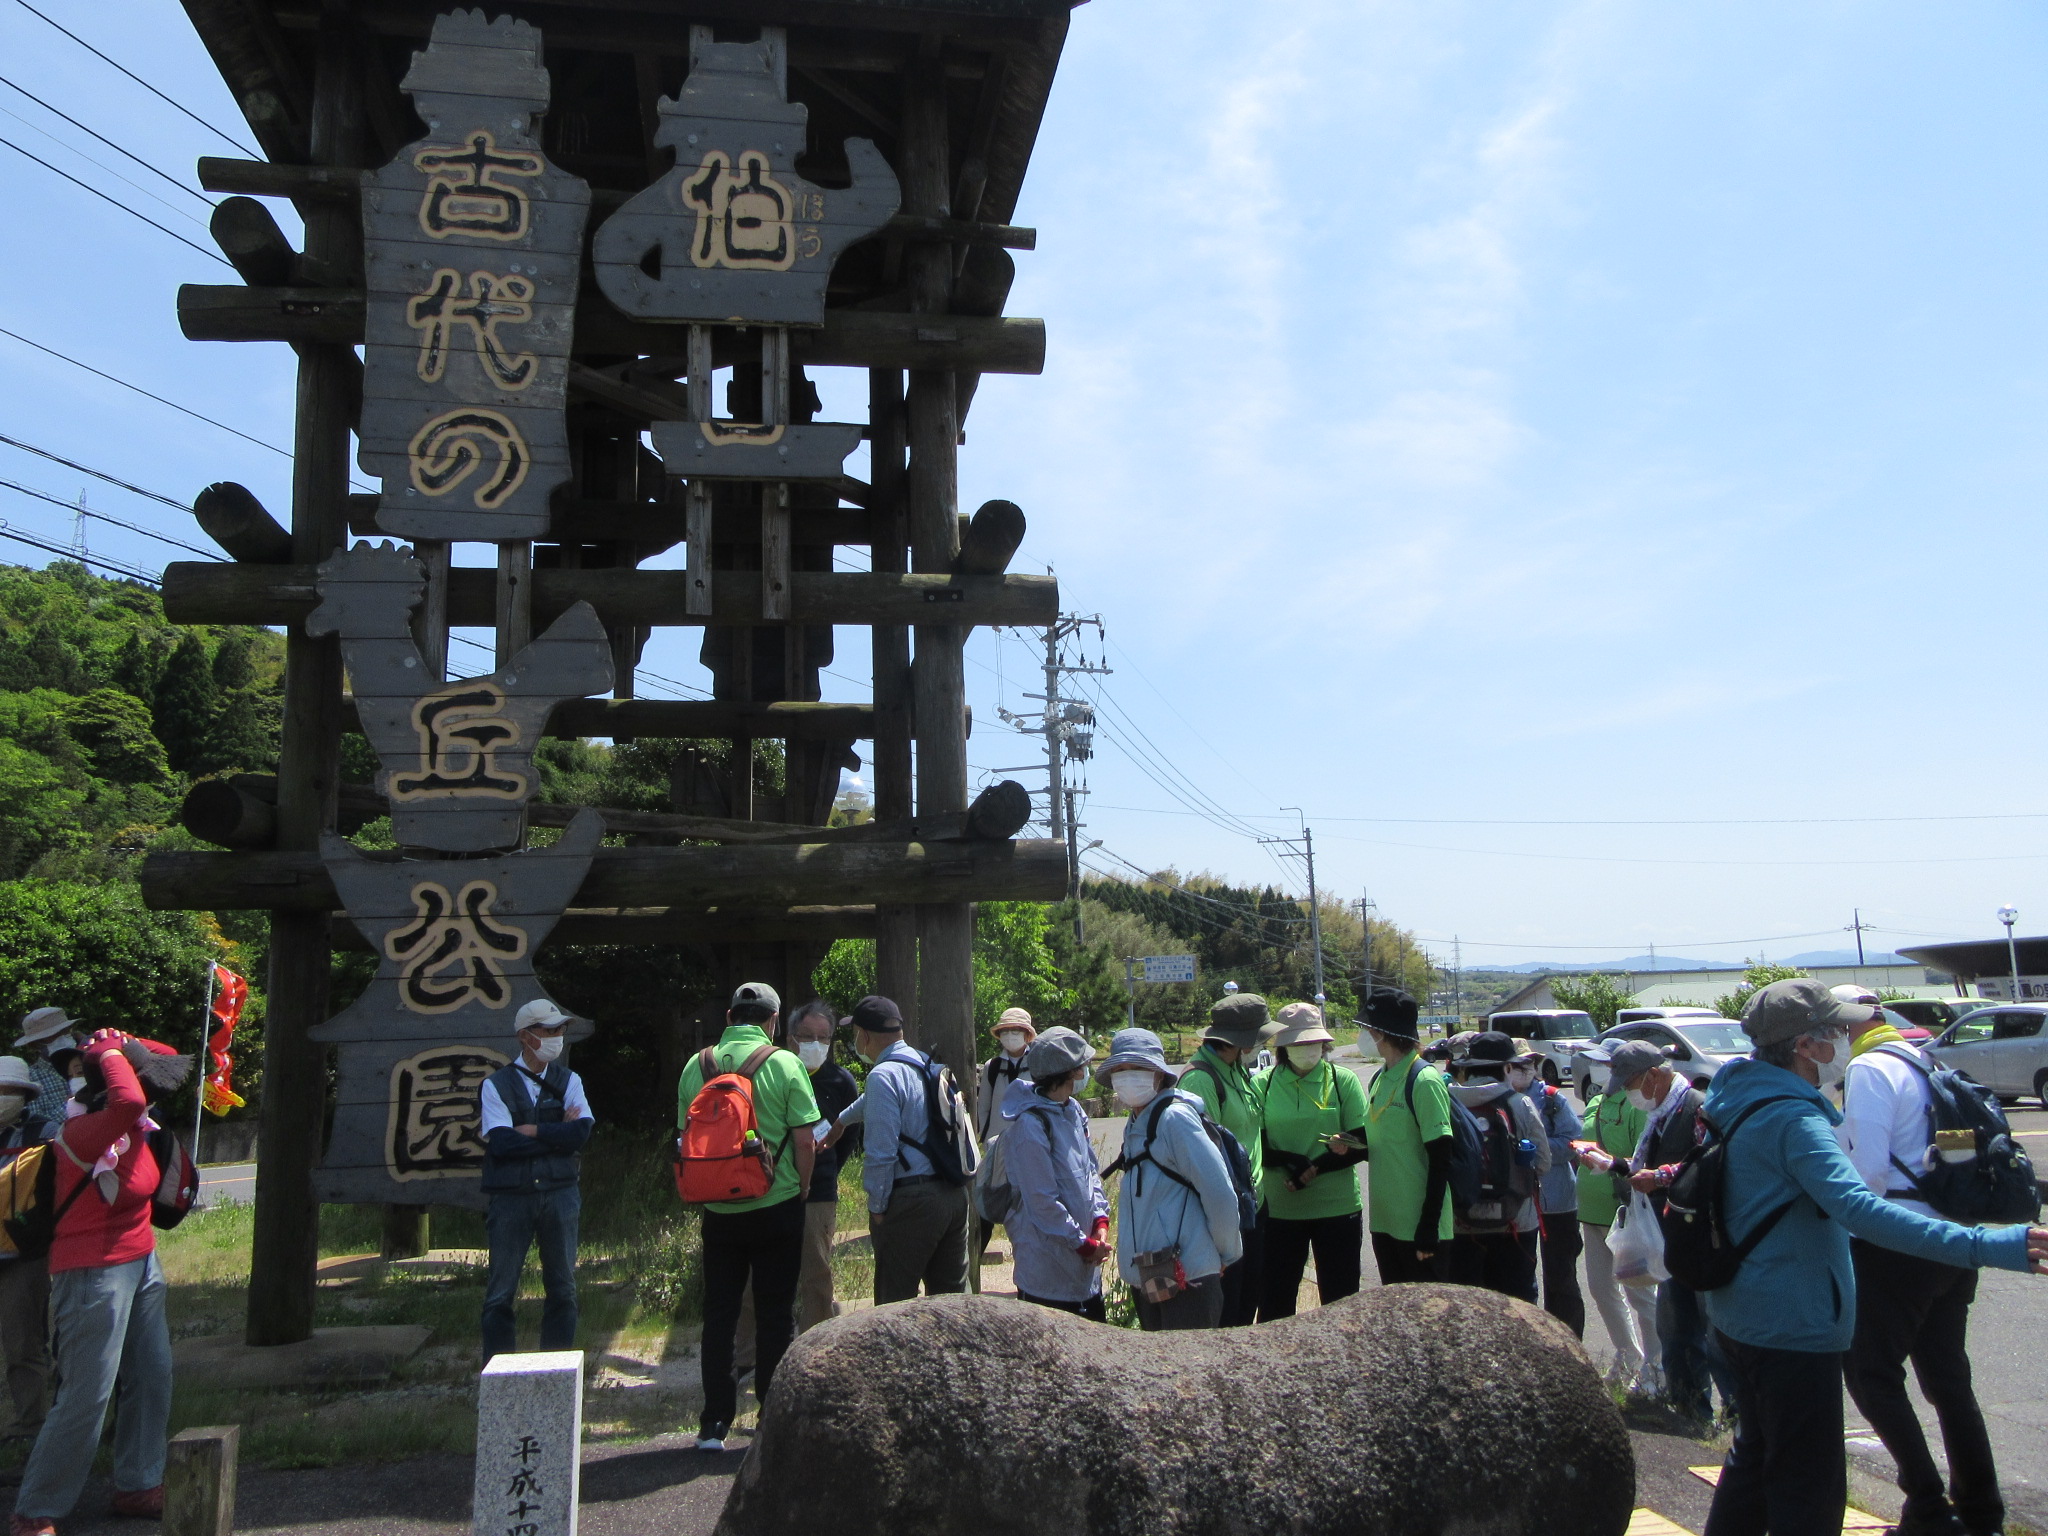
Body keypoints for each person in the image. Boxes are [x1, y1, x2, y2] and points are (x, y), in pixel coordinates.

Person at [1700, 979, 2048, 1536]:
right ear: (1804, 1046)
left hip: (1741, 1308)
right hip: (1794, 1321)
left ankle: (1941, 1505)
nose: (1844, 1037)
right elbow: (1861, 1207)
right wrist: (1989, 1244)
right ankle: (1958, 1508)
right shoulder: (1795, 1120)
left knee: (1754, 1461)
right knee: (1808, 1489)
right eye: (1834, 1030)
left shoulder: (1735, 1095)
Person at [1837, 987, 2009, 1535]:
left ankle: (1928, 1506)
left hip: (1900, 1241)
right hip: (1953, 1235)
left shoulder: (1868, 1070)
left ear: (1846, 1030)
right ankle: (1982, 1513)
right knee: (1948, 1378)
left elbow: (1869, 1176)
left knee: (1870, 1372)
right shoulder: (1922, 1056)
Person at [11, 1030, 191, 1535]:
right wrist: (106, 1052)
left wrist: (124, 1040)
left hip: (141, 1262)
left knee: (152, 1376)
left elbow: (172, 1060)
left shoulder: (135, 1126)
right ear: (113, 1084)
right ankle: (34, 1510)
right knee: (88, 1395)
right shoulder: (88, 1132)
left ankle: (137, 1484)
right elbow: (131, 1094)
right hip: (91, 1270)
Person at [676, 983, 821, 1453]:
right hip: (775, 1205)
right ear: (774, 1020)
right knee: (775, 1313)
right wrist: (801, 1189)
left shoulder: (697, 1067)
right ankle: (770, 1417)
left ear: (730, 1015)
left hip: (718, 1210)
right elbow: (804, 1141)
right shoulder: (783, 1064)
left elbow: (685, 1141)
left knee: (718, 1313)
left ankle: (713, 1422)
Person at [732, 999, 860, 1384]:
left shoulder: (841, 1081)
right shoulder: (770, 1072)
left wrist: (823, 1172)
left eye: (824, 1037)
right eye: (807, 1037)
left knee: (816, 1273)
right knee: (755, 1276)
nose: (816, 1044)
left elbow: (848, 1135)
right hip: (766, 1188)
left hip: (817, 1191)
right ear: (790, 1037)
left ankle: (817, 1354)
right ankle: (747, 1357)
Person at [1604, 1038, 1716, 1426]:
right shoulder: (1660, 1114)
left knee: (1701, 1333)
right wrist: (1617, 1166)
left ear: (1654, 1075)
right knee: (1675, 1330)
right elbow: (1645, 1168)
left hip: (1696, 1239)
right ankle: (1683, 1407)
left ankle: (1704, 1415)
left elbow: (1707, 1166)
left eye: (1632, 1084)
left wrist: (1662, 1176)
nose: (1631, 1094)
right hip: (1670, 1241)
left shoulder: (1696, 1107)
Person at [1099, 1029, 1242, 1330]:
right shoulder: (1139, 1120)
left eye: (1136, 1069)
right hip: (1152, 1275)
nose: (1127, 1077)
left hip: (1189, 1279)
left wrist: (1226, 1253)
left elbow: (1220, 1193)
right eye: (1120, 1070)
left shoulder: (1174, 1118)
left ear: (1157, 1074)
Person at [478, 999, 593, 1362]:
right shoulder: (495, 1085)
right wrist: (556, 1132)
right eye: (549, 1031)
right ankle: (498, 1372)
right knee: (500, 1291)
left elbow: (581, 1133)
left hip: (560, 1193)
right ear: (526, 1037)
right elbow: (501, 1142)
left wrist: (531, 1130)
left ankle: (556, 1369)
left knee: (563, 1288)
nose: (557, 1037)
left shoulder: (570, 1079)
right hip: (512, 1196)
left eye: (560, 1030)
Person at [853, 994, 970, 1304]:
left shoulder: (881, 1075)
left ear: (864, 1035)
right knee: (952, 1305)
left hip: (911, 1200)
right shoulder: (926, 1064)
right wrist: (840, 1121)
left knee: (895, 1305)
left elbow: (881, 1153)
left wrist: (877, 1208)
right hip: (953, 1194)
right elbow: (871, 1102)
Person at [1256, 1003, 1368, 1320]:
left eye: (1313, 1042)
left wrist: (1313, 1169)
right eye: (1298, 1043)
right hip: (1280, 1210)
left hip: (1338, 1208)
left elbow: (1363, 1143)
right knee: (1275, 1303)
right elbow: (1255, 1144)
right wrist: (1290, 1162)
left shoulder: (1342, 1081)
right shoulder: (1262, 1085)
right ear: (1283, 1046)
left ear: (1324, 1043)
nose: (1307, 1049)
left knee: (1341, 1303)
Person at [997, 1028, 1109, 1319]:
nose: (1085, 1072)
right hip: (1045, 1275)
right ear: (1070, 1072)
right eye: (1082, 1066)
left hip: (1085, 1275)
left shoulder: (1072, 1110)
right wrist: (1083, 1245)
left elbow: (1090, 1173)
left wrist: (1100, 1221)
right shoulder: (1029, 1125)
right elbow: (1042, 1202)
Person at [1572, 1043, 1661, 1395]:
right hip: (1592, 1212)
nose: (1602, 1071)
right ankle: (1627, 1356)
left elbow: (1642, 1154)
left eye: (1607, 1065)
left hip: (1624, 1213)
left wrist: (1607, 1159)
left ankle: (1655, 1368)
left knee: (1640, 1291)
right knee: (1600, 1288)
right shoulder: (1596, 1102)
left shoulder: (1636, 1103)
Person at [1176, 992, 1268, 1324]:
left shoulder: (1236, 1069)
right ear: (1242, 1041)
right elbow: (1207, 1161)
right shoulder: (1201, 1079)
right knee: (1229, 1311)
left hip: (1254, 1205)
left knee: (1250, 1299)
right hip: (1230, 1213)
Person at [1358, 989, 1454, 1284]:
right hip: (1386, 1223)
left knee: (1428, 1325)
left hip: (1419, 1229)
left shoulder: (1423, 1080)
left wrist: (1428, 1227)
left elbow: (1441, 1158)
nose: (1363, 1034)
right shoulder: (1380, 1076)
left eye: (1367, 1028)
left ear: (1381, 1032)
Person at [1446, 1031, 1550, 1302]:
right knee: (1518, 1307)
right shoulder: (1520, 1104)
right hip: (1516, 1222)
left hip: (1461, 1222)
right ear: (1506, 1067)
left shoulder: (1449, 1103)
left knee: (1468, 1308)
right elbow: (1543, 1163)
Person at [1514, 1040, 1586, 1335]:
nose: (1525, 1070)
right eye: (1518, 1064)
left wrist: (1534, 1152)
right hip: (1519, 1205)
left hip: (1558, 1201)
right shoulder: (1501, 1099)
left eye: (1529, 1063)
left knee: (1562, 1279)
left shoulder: (1553, 1099)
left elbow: (1573, 1143)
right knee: (1521, 1278)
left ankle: (1569, 1344)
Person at [0, 1058, 51, 1439]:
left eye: (10, 1091)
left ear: (24, 1095)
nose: (4, 1098)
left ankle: (31, 1422)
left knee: (23, 1342)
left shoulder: (44, 1132)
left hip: (24, 1255)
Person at [973, 1008, 1035, 1266]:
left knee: (1027, 1211)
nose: (1011, 1035)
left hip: (1032, 1147)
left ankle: (1027, 1274)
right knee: (986, 1207)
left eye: (1016, 1031)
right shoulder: (992, 1066)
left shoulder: (1039, 1063)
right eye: (1006, 1031)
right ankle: (972, 1266)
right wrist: (983, 1140)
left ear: (1027, 1035)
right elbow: (983, 1107)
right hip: (997, 1147)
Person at [11, 1011, 78, 1134]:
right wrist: (74, 1102)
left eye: (65, 1031)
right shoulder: (30, 1081)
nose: (62, 1037)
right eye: (54, 1035)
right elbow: (36, 1127)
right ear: (35, 1045)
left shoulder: (91, 1062)